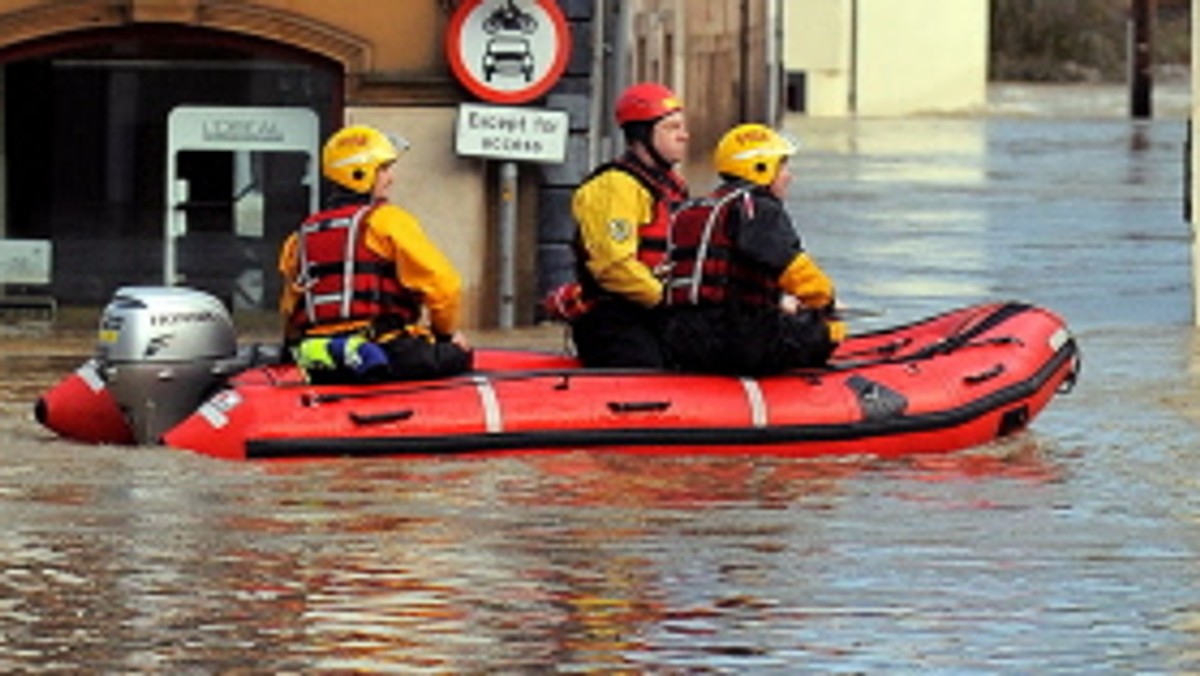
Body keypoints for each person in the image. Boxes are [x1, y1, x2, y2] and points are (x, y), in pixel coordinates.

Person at [278, 124, 473, 383]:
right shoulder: (387, 222)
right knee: (459, 354)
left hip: (326, 357)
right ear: (360, 173)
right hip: (387, 351)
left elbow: (290, 311)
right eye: (384, 169)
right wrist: (445, 336)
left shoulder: (300, 236)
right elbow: (445, 286)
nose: (390, 178)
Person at [661, 123, 845, 375]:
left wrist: (781, 300)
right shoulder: (756, 207)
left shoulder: (694, 208)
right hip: (737, 343)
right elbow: (798, 272)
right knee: (829, 328)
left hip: (681, 340)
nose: (789, 176)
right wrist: (827, 304)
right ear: (761, 168)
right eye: (783, 167)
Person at [565, 81, 690, 368]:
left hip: (656, 311)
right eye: (672, 128)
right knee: (648, 370)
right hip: (616, 319)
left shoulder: (670, 187)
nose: (684, 136)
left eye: (682, 127)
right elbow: (614, 266)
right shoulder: (614, 187)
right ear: (641, 135)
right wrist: (669, 301)